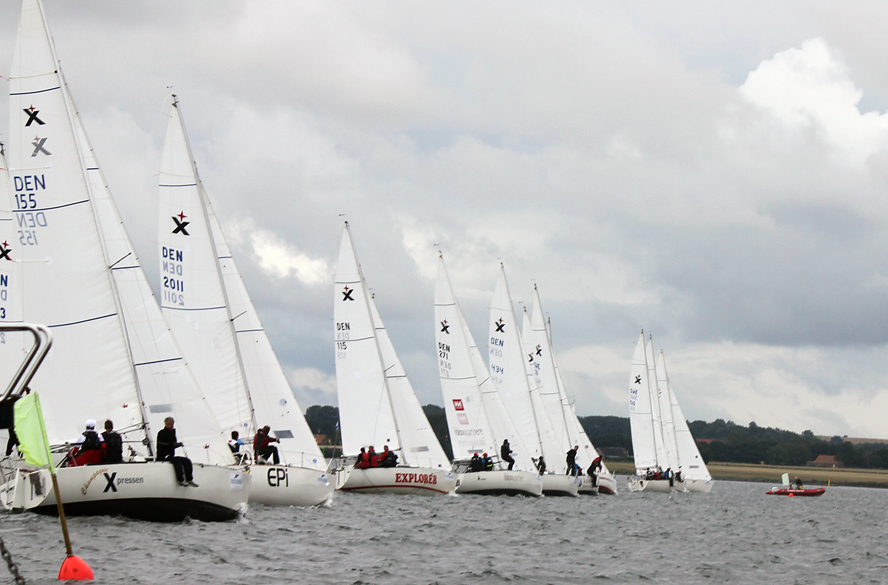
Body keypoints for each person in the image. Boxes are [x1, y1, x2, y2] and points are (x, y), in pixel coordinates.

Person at [156, 417, 198, 487]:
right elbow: (162, 444)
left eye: (172, 424)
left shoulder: (172, 432)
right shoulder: (162, 433)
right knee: (177, 461)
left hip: (171, 456)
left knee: (187, 461)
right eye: (169, 424)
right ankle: (180, 480)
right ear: (166, 424)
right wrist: (174, 445)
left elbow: (172, 444)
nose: (171, 426)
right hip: (163, 456)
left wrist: (177, 445)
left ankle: (189, 479)